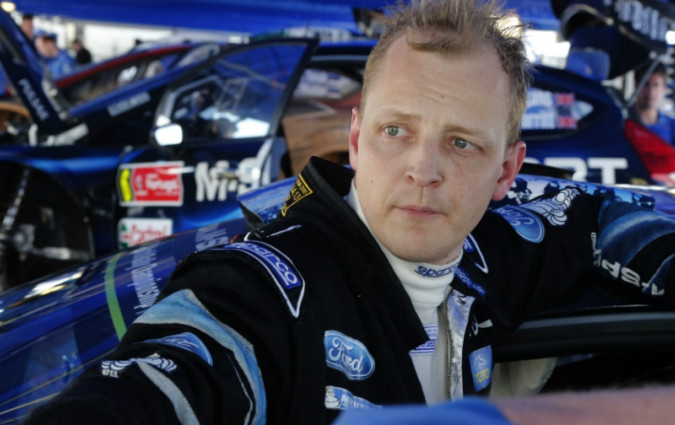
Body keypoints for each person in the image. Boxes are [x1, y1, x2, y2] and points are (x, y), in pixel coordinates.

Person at [20, 1, 675, 424]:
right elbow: (160, 378)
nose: (423, 168)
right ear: (355, 139)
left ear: (506, 170)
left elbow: (592, 212)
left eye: (461, 143)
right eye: (396, 131)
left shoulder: (488, 251)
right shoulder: (263, 287)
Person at [631, 61, 675, 145]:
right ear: (636, 86)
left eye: (656, 85)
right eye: (646, 84)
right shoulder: (621, 121)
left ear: (664, 89)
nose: (651, 92)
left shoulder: (672, 127)